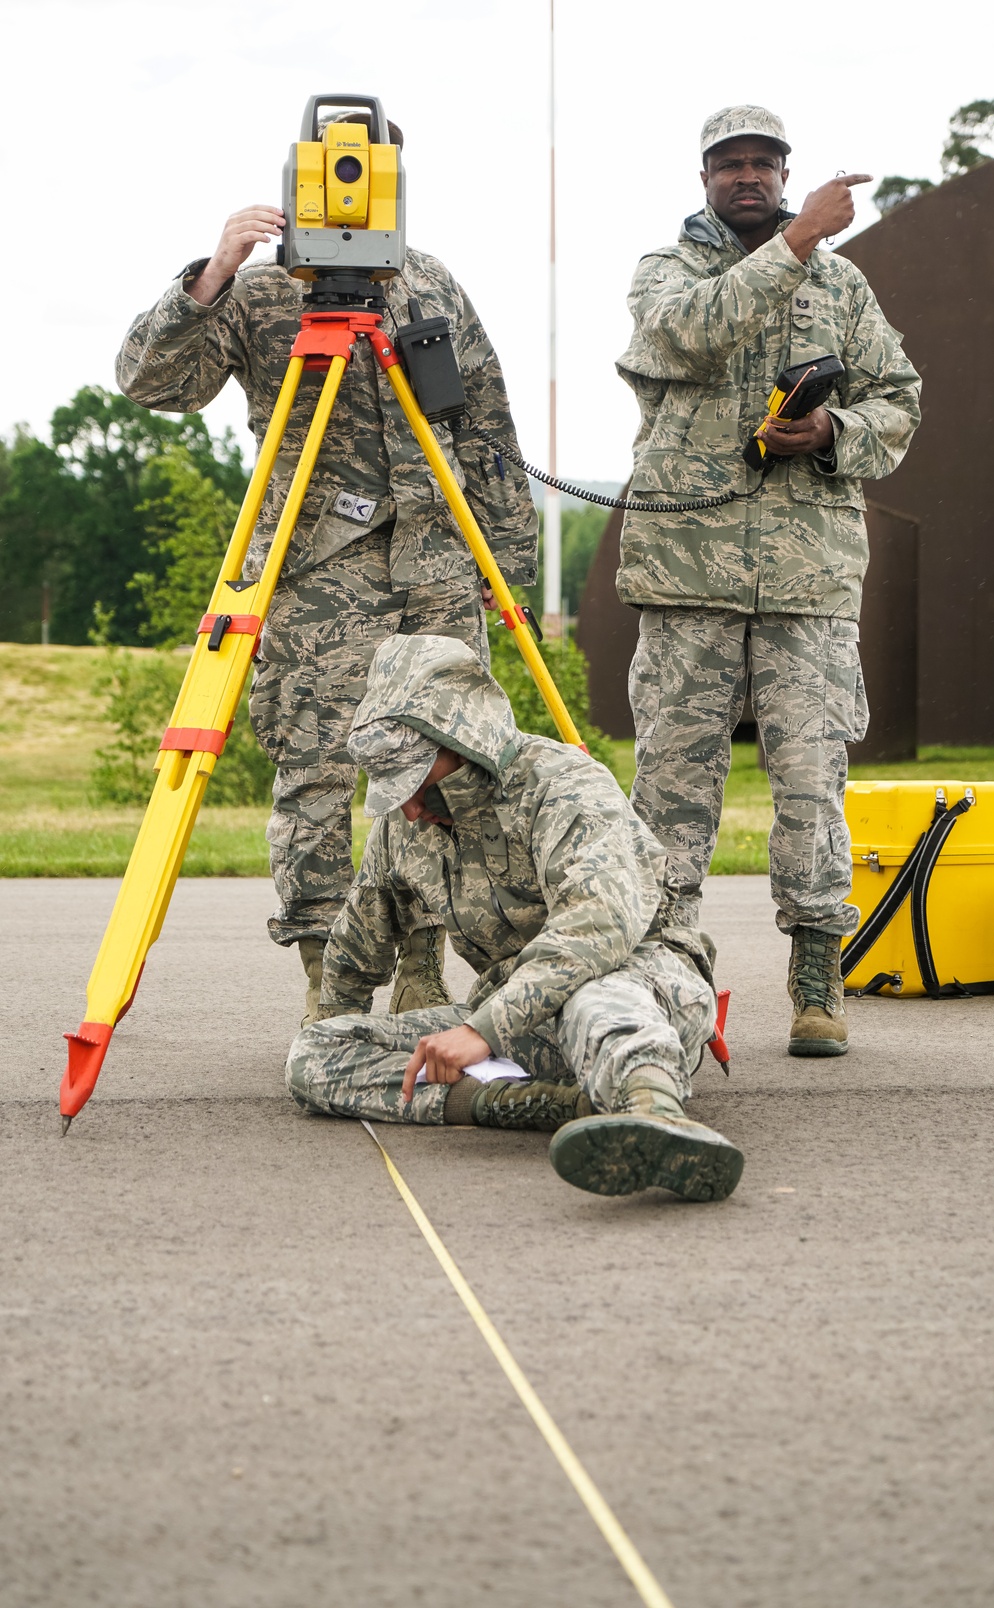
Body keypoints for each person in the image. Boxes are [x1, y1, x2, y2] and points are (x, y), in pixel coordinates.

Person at [116, 113, 537, 1023]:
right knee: (313, 771)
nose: (349, 183)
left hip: (437, 570)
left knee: (446, 773)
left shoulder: (431, 286)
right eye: (333, 167)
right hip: (317, 574)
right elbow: (150, 383)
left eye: (368, 167)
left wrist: (512, 573)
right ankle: (327, 973)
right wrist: (213, 271)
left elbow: (490, 434)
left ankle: (425, 962)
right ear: (298, 175)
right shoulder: (263, 296)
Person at [615, 104, 921, 1058]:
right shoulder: (666, 273)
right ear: (704, 178)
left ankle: (817, 969)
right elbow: (692, 336)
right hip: (687, 569)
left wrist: (832, 433)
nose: (747, 178)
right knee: (672, 784)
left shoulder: (845, 286)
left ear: (784, 173)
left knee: (811, 779)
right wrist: (794, 243)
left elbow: (900, 399)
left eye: (765, 164)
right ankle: (666, 966)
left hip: (807, 574)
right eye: (729, 165)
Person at [285, 634, 744, 1203]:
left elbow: (594, 931)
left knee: (597, 997)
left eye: (418, 783)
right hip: (517, 1028)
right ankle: (544, 1106)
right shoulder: (406, 826)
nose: (409, 809)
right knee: (315, 1054)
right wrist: (338, 1025)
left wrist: (482, 1032)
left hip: (639, 986)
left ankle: (656, 1114)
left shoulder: (566, 788)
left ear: (466, 744)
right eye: (394, 790)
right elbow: (359, 941)